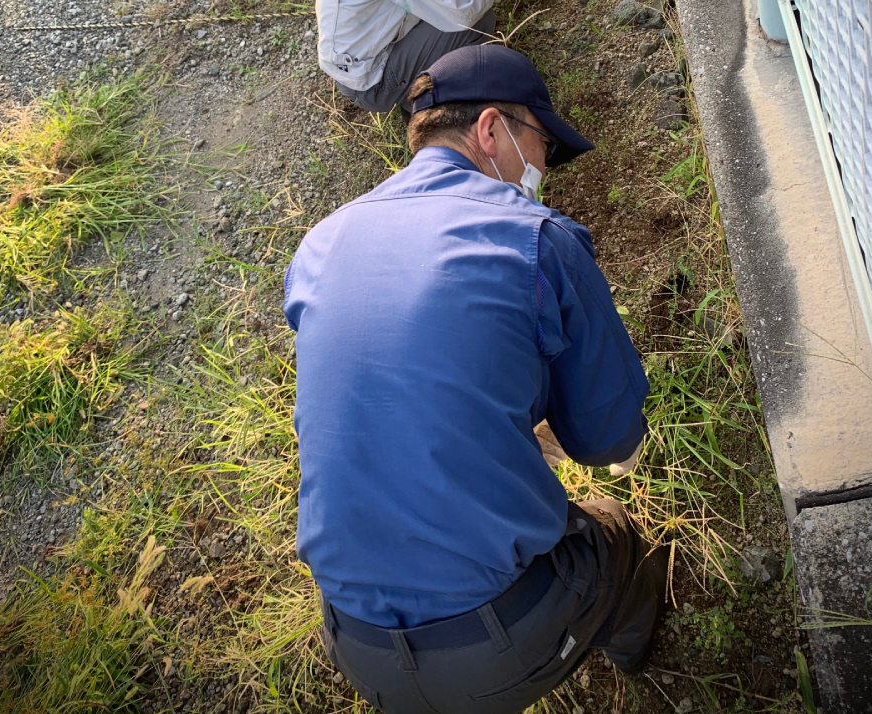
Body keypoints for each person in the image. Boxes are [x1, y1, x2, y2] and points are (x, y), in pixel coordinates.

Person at [283, 45, 667, 714]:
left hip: (353, 644)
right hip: (500, 639)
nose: (543, 170)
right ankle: (631, 645)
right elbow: (610, 441)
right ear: (491, 130)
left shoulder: (320, 244)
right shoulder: (537, 238)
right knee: (616, 531)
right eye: (542, 145)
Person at [315, 0, 496, 113]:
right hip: (372, 82)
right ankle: (424, 103)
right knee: (478, 23)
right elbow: (465, 11)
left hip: (360, 60)